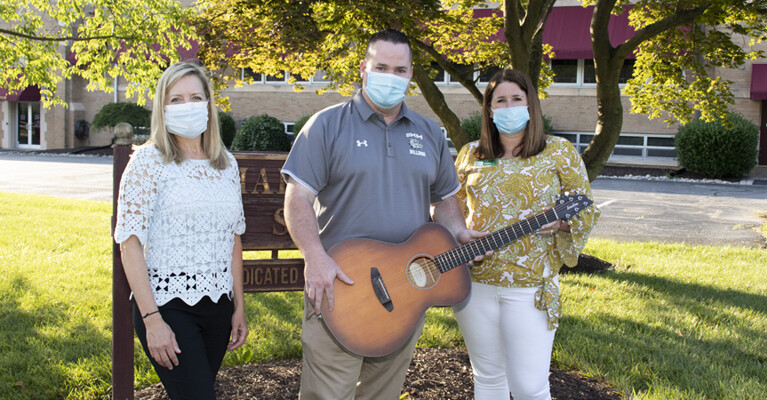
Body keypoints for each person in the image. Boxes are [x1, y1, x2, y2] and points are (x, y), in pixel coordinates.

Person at [281, 28, 486, 400]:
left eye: (399, 70)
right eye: (381, 67)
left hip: (404, 298)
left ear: (410, 75)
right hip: (338, 289)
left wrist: (457, 230)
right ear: (363, 68)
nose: (389, 77)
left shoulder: (429, 134)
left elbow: (445, 199)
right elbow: (297, 198)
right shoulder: (327, 126)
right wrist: (314, 256)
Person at [452, 69, 600, 400]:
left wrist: (562, 225)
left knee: (528, 387)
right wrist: (459, 233)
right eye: (500, 100)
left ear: (530, 104)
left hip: (530, 289)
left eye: (516, 99)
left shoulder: (559, 151)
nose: (508, 107)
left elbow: (587, 208)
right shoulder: (470, 154)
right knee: (488, 379)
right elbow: (451, 212)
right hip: (475, 287)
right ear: (489, 110)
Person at [114, 61, 248, 400]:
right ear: (162, 107)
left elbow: (233, 239)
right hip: (166, 305)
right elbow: (129, 245)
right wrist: (152, 320)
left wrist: (239, 307)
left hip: (218, 307)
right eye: (175, 99)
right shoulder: (147, 162)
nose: (186, 106)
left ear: (208, 104)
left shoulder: (226, 164)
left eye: (195, 97)